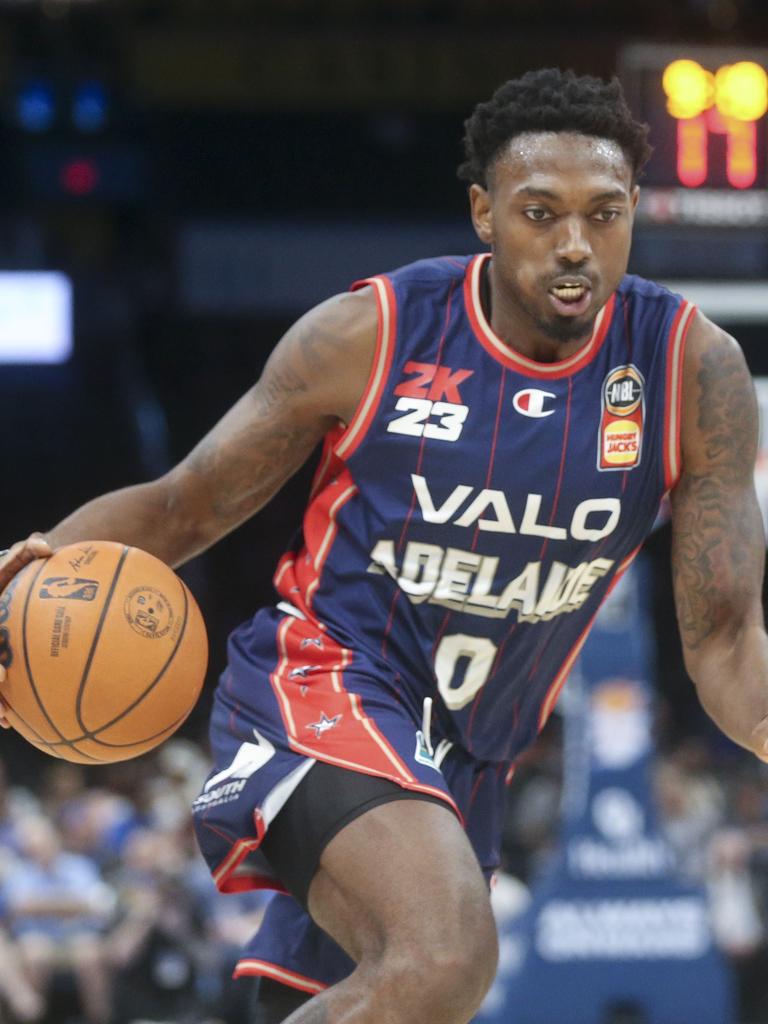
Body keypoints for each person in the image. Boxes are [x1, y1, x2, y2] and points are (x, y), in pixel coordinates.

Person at [1, 67, 768, 1024]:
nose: (576, 245)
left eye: (605, 215)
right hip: (320, 683)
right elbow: (184, 505)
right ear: (484, 213)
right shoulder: (372, 332)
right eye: (541, 213)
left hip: (464, 758)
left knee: (390, 991)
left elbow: (729, 644)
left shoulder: (692, 369)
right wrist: (26, 581)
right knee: (445, 952)